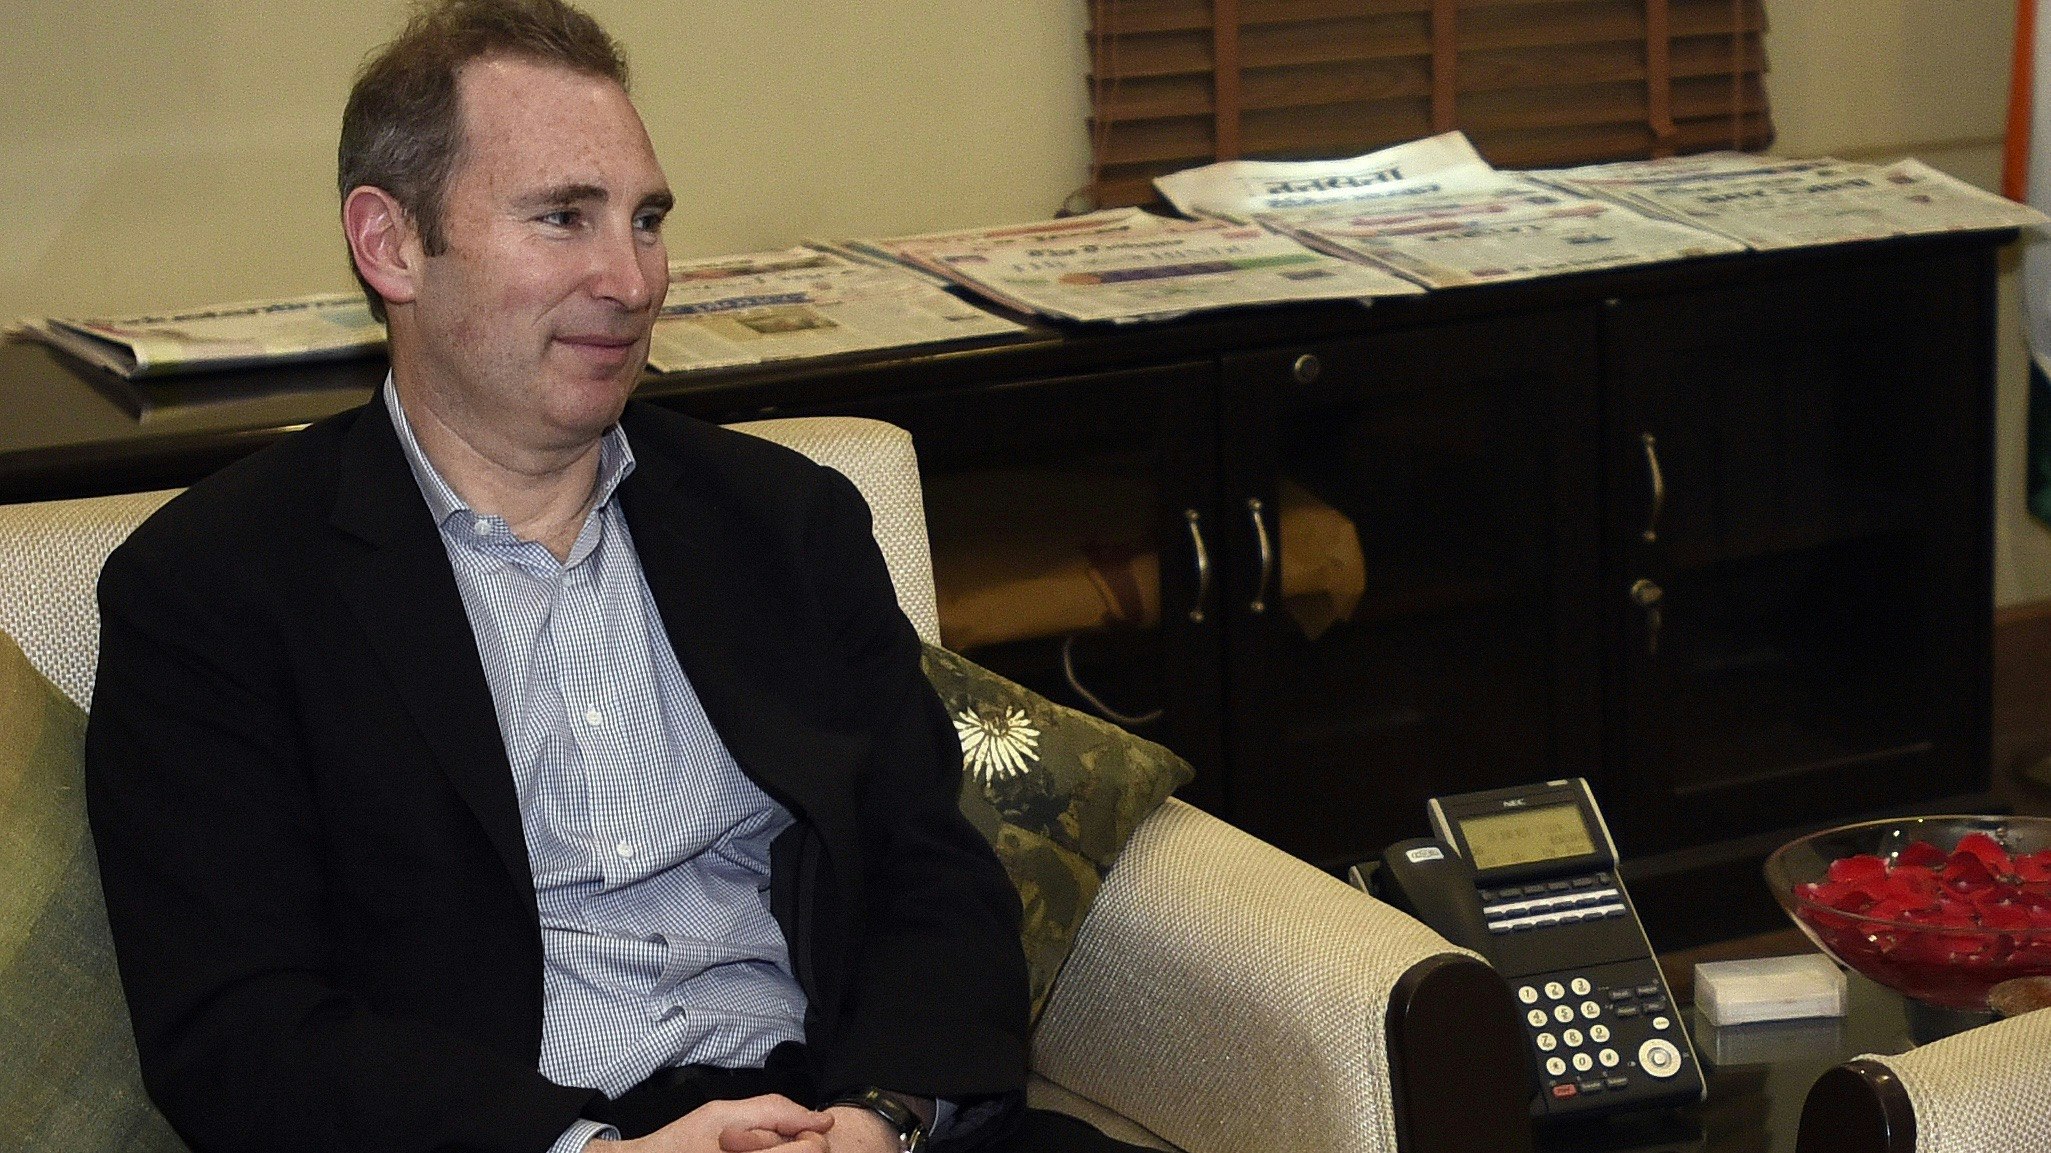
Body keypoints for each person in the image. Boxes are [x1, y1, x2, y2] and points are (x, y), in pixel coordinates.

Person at [84, 3, 1143, 1151]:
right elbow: (237, 1028)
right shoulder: (217, 588)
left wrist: (883, 1115)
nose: (630, 280)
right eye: (562, 218)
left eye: (645, 221)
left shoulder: (780, 522)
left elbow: (928, 867)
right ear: (390, 244)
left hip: (827, 1107)